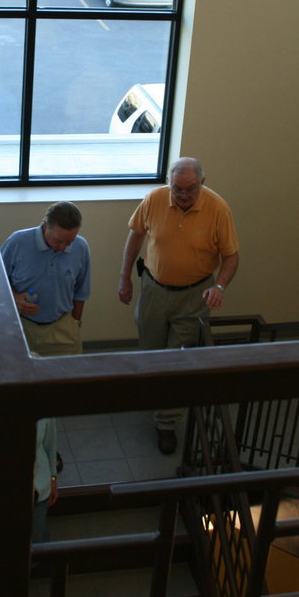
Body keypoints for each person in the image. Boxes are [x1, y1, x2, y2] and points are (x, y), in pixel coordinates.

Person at [118, 156, 239, 455]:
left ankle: (166, 423)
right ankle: (152, 396)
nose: (183, 195)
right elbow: (135, 236)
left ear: (202, 183)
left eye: (190, 189)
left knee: (178, 359)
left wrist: (219, 286)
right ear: (169, 184)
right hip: (153, 290)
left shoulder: (218, 209)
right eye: (177, 189)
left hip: (194, 296)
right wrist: (125, 278)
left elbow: (231, 257)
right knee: (150, 350)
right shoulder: (155, 199)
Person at [0, 201, 91, 359]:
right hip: (20, 327)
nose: (63, 247)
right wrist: (13, 299)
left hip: (63, 330)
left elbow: (81, 291)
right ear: (44, 226)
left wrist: (75, 324)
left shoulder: (81, 247)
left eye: (69, 241)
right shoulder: (17, 242)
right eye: (58, 240)